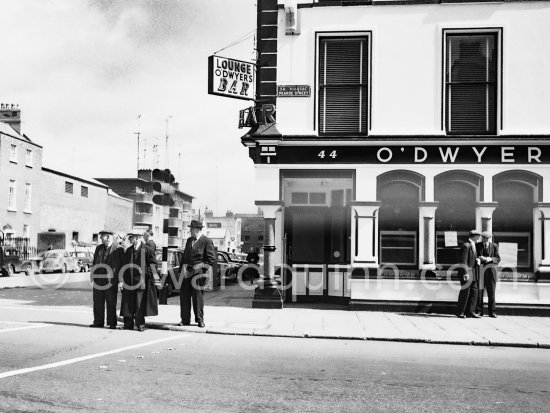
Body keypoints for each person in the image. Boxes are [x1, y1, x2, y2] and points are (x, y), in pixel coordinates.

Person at [178, 220, 215, 328]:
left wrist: (201, 270)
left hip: (198, 274)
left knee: (197, 297)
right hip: (186, 272)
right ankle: (185, 320)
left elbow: (210, 260)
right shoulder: (189, 240)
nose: (190, 230)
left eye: (192, 229)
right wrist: (181, 271)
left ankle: (199, 319)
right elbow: (184, 256)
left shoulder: (206, 241)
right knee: (184, 297)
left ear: (198, 230)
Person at [119, 231, 158, 331]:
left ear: (137, 238)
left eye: (131, 238)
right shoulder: (128, 250)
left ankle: (140, 324)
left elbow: (153, 264)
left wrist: (148, 275)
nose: (130, 239)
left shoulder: (147, 249)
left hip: (141, 281)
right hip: (129, 281)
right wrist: (121, 281)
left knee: (139, 303)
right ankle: (128, 324)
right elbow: (123, 266)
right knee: (127, 302)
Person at [90, 230, 123, 329]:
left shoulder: (118, 248)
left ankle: (112, 322)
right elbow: (95, 263)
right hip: (98, 280)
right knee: (98, 301)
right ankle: (98, 321)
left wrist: (121, 280)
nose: (100, 238)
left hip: (111, 281)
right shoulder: (98, 248)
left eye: (102, 236)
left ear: (108, 237)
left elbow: (122, 266)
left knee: (111, 302)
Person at [455, 229, 482, 319]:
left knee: (474, 291)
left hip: (473, 272)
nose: (479, 237)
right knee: (465, 292)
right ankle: (460, 312)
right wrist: (465, 273)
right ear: (474, 236)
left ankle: (471, 311)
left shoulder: (473, 245)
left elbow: (471, 258)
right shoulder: (466, 245)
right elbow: (463, 260)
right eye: (478, 235)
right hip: (466, 273)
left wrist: (477, 259)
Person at [476, 232, 501, 318]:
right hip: (481, 271)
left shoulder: (494, 246)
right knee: (480, 292)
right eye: (484, 238)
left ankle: (492, 312)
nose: (485, 240)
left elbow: (498, 258)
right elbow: (475, 255)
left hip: (491, 272)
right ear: (482, 238)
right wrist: (479, 258)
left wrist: (490, 259)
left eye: (487, 239)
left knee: (491, 293)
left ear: (489, 238)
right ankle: (479, 311)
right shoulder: (477, 245)